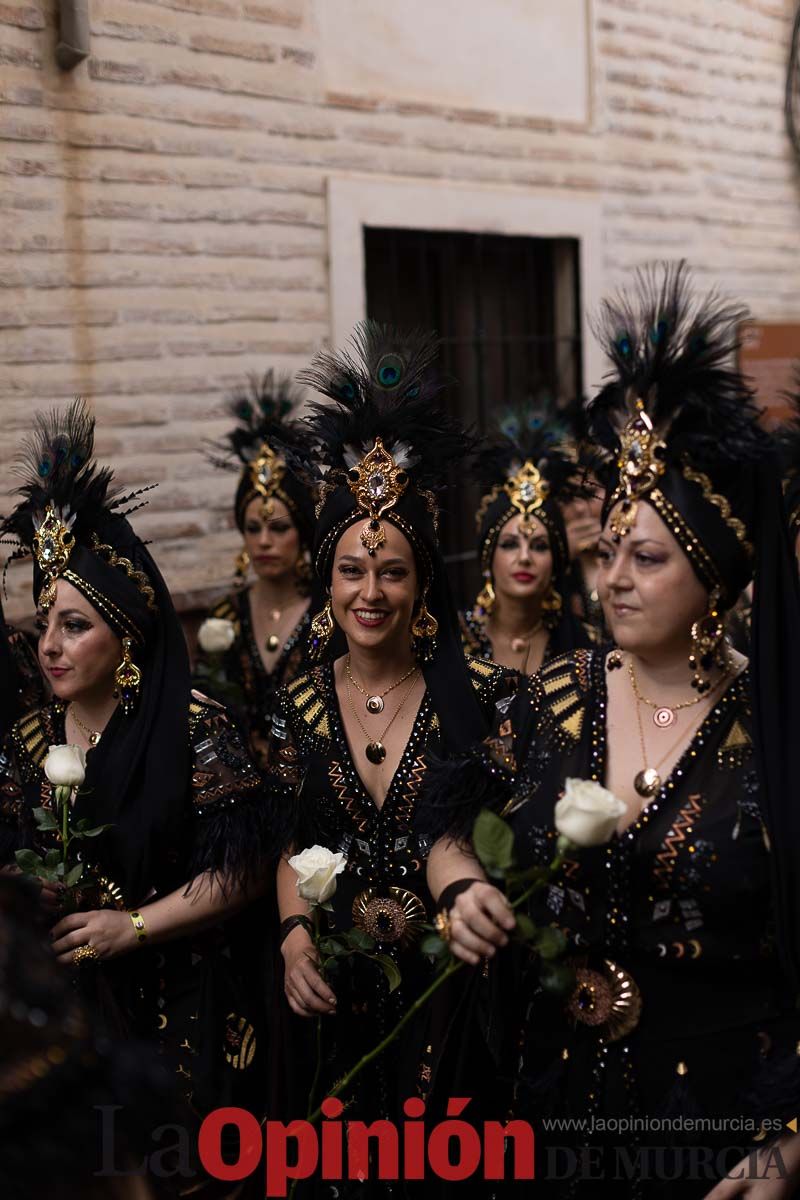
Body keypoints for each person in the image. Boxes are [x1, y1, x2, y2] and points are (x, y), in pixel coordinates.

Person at [423, 263, 800, 1197]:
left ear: (714, 575)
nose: (614, 579)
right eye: (606, 553)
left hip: (713, 1120)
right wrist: (462, 886)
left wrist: (790, 1136)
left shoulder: (774, 728)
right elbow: (447, 815)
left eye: (648, 557)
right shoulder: (562, 692)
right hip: (550, 1096)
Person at [0, 401, 278, 1196]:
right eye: (45, 620)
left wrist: (134, 925)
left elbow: (247, 867)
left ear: (124, 643)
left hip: (183, 1005)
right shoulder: (27, 741)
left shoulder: (191, 728)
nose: (50, 644)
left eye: (76, 625)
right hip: (72, 1016)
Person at [266, 323, 512, 1153]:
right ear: (326, 578)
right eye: (350, 569)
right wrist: (295, 936)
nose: (369, 591)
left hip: (450, 1008)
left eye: (393, 570)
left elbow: (496, 846)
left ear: (424, 583)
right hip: (335, 1009)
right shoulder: (296, 705)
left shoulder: (483, 699)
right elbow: (294, 844)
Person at [194, 371, 317, 768]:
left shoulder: (328, 616)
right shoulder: (225, 616)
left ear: (302, 533)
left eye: (279, 527)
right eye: (253, 528)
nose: (264, 541)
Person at [459, 405, 596, 673]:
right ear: (488, 556)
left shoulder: (585, 647)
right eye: (509, 544)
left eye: (540, 546)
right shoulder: (455, 640)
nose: (524, 557)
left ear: (557, 560)